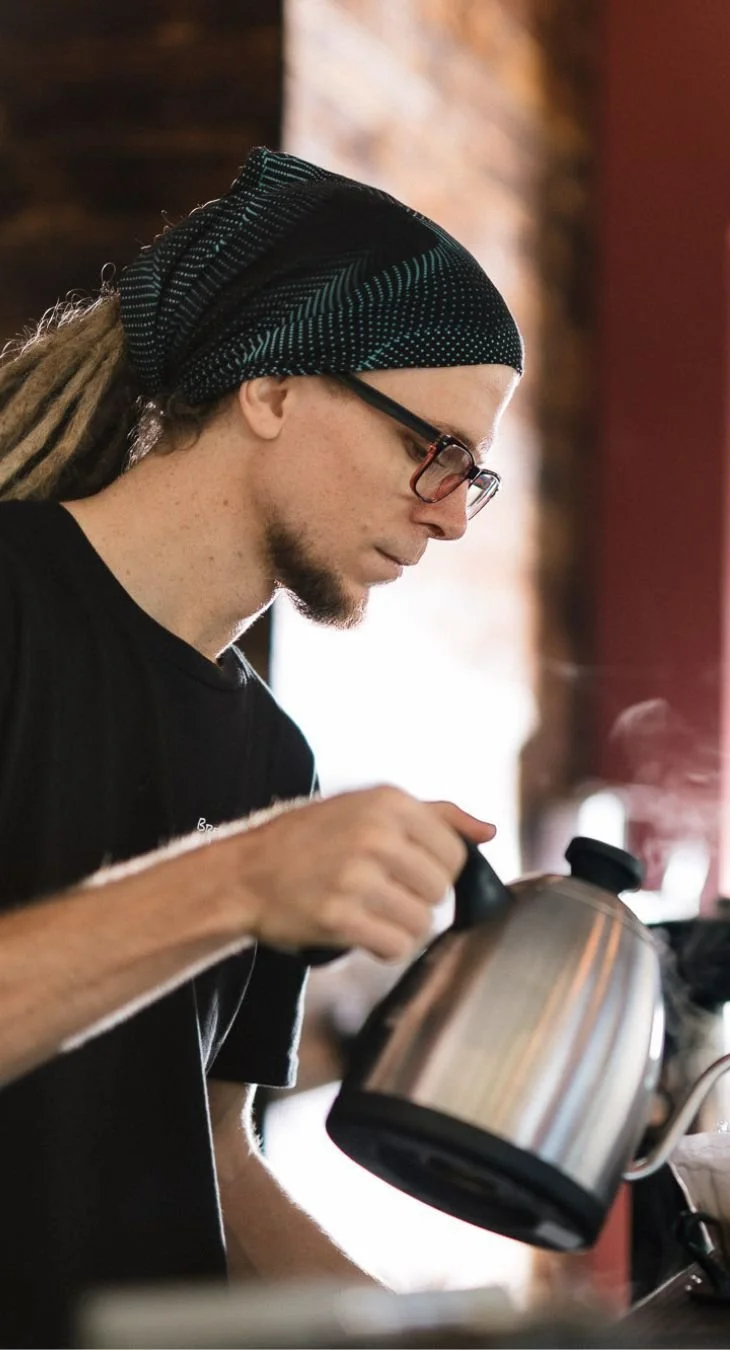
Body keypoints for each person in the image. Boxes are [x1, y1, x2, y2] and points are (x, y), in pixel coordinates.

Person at [0, 146, 523, 1346]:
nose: (449, 515)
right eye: (429, 448)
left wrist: (430, 1335)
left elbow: (212, 1160)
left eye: (472, 476)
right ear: (274, 388)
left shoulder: (271, 757)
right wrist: (241, 879)